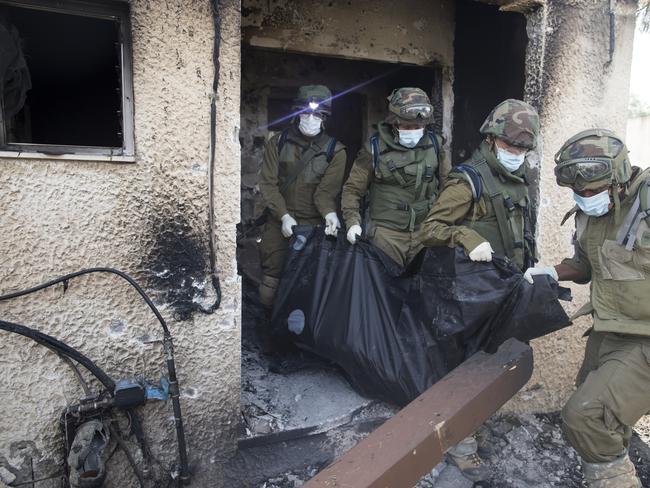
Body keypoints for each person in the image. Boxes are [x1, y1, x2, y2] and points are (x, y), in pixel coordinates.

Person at [418, 98, 540, 482]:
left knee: (491, 366)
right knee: (465, 369)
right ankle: (461, 446)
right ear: (490, 141)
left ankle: (474, 428)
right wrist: (466, 235)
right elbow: (429, 229)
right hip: (470, 296)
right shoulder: (467, 180)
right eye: (510, 147)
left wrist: (532, 266)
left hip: (504, 292)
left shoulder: (518, 181)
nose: (516, 154)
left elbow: (521, 232)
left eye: (522, 149)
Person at [524, 129, 650, 487]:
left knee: (585, 416)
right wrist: (549, 271)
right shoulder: (587, 213)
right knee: (603, 414)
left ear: (617, 179)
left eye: (593, 191)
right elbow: (585, 265)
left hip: (645, 335)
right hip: (608, 329)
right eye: (577, 191)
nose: (584, 197)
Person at [257, 85, 346, 309]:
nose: (311, 118)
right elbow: (268, 184)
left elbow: (325, 193)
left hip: (313, 226)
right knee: (271, 280)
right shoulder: (277, 142)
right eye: (306, 113)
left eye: (317, 114)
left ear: (325, 117)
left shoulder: (336, 151)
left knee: (310, 282)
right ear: (297, 113)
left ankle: (299, 337)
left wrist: (330, 214)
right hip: (279, 222)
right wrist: (284, 216)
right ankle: (267, 335)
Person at [341, 87, 449, 266]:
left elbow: (449, 187)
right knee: (384, 287)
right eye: (407, 126)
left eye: (418, 127)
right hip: (386, 235)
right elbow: (352, 189)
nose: (413, 131)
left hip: (426, 232)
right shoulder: (374, 148)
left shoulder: (435, 146)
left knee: (424, 287)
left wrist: (445, 224)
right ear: (394, 123)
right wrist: (352, 222)